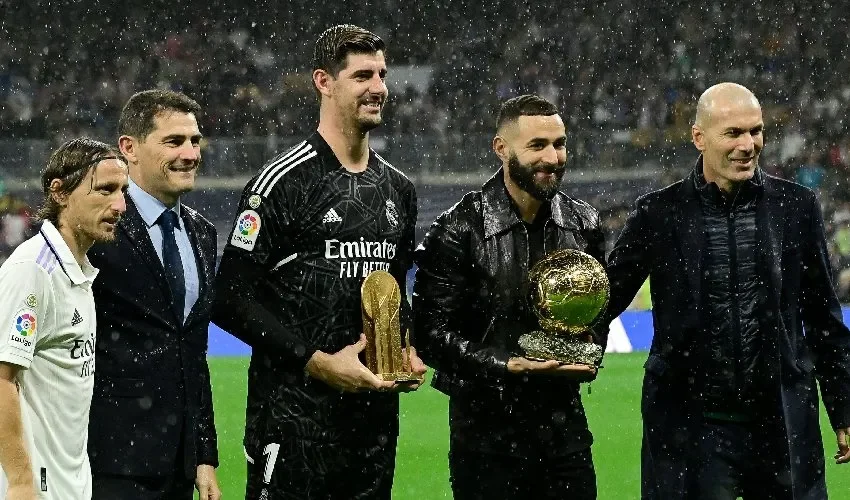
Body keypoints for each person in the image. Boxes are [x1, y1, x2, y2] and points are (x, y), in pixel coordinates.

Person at [602, 82, 850, 499]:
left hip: (781, 425)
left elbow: (823, 317)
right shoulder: (658, 213)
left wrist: (843, 405)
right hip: (692, 428)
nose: (748, 145)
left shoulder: (796, 207)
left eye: (756, 131)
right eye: (733, 133)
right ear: (699, 138)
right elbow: (608, 296)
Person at [212, 24, 426, 499]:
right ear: (324, 82)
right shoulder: (282, 183)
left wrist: (404, 346)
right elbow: (227, 298)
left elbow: (393, 289)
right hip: (292, 425)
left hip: (372, 428)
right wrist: (317, 363)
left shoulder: (398, 189)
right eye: (362, 75)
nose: (379, 88)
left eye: (383, 74)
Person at [413, 94, 602, 499]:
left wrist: (590, 348)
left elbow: (595, 317)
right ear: (501, 148)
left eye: (559, 144)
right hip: (486, 444)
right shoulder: (458, 230)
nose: (552, 158)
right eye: (537, 146)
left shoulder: (585, 223)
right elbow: (429, 335)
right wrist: (507, 365)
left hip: (565, 437)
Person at [86, 90, 221, 500]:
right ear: (129, 149)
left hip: (177, 465)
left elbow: (192, 353)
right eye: (174, 141)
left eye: (195, 141)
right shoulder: (95, 228)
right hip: (106, 461)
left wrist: (203, 454)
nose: (190, 153)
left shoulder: (203, 233)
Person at [0, 138, 128, 499]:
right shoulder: (33, 270)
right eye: (105, 190)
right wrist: (21, 480)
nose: (119, 205)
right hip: (35, 487)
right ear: (59, 192)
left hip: (69, 481)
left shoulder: (79, 273)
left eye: (122, 191)